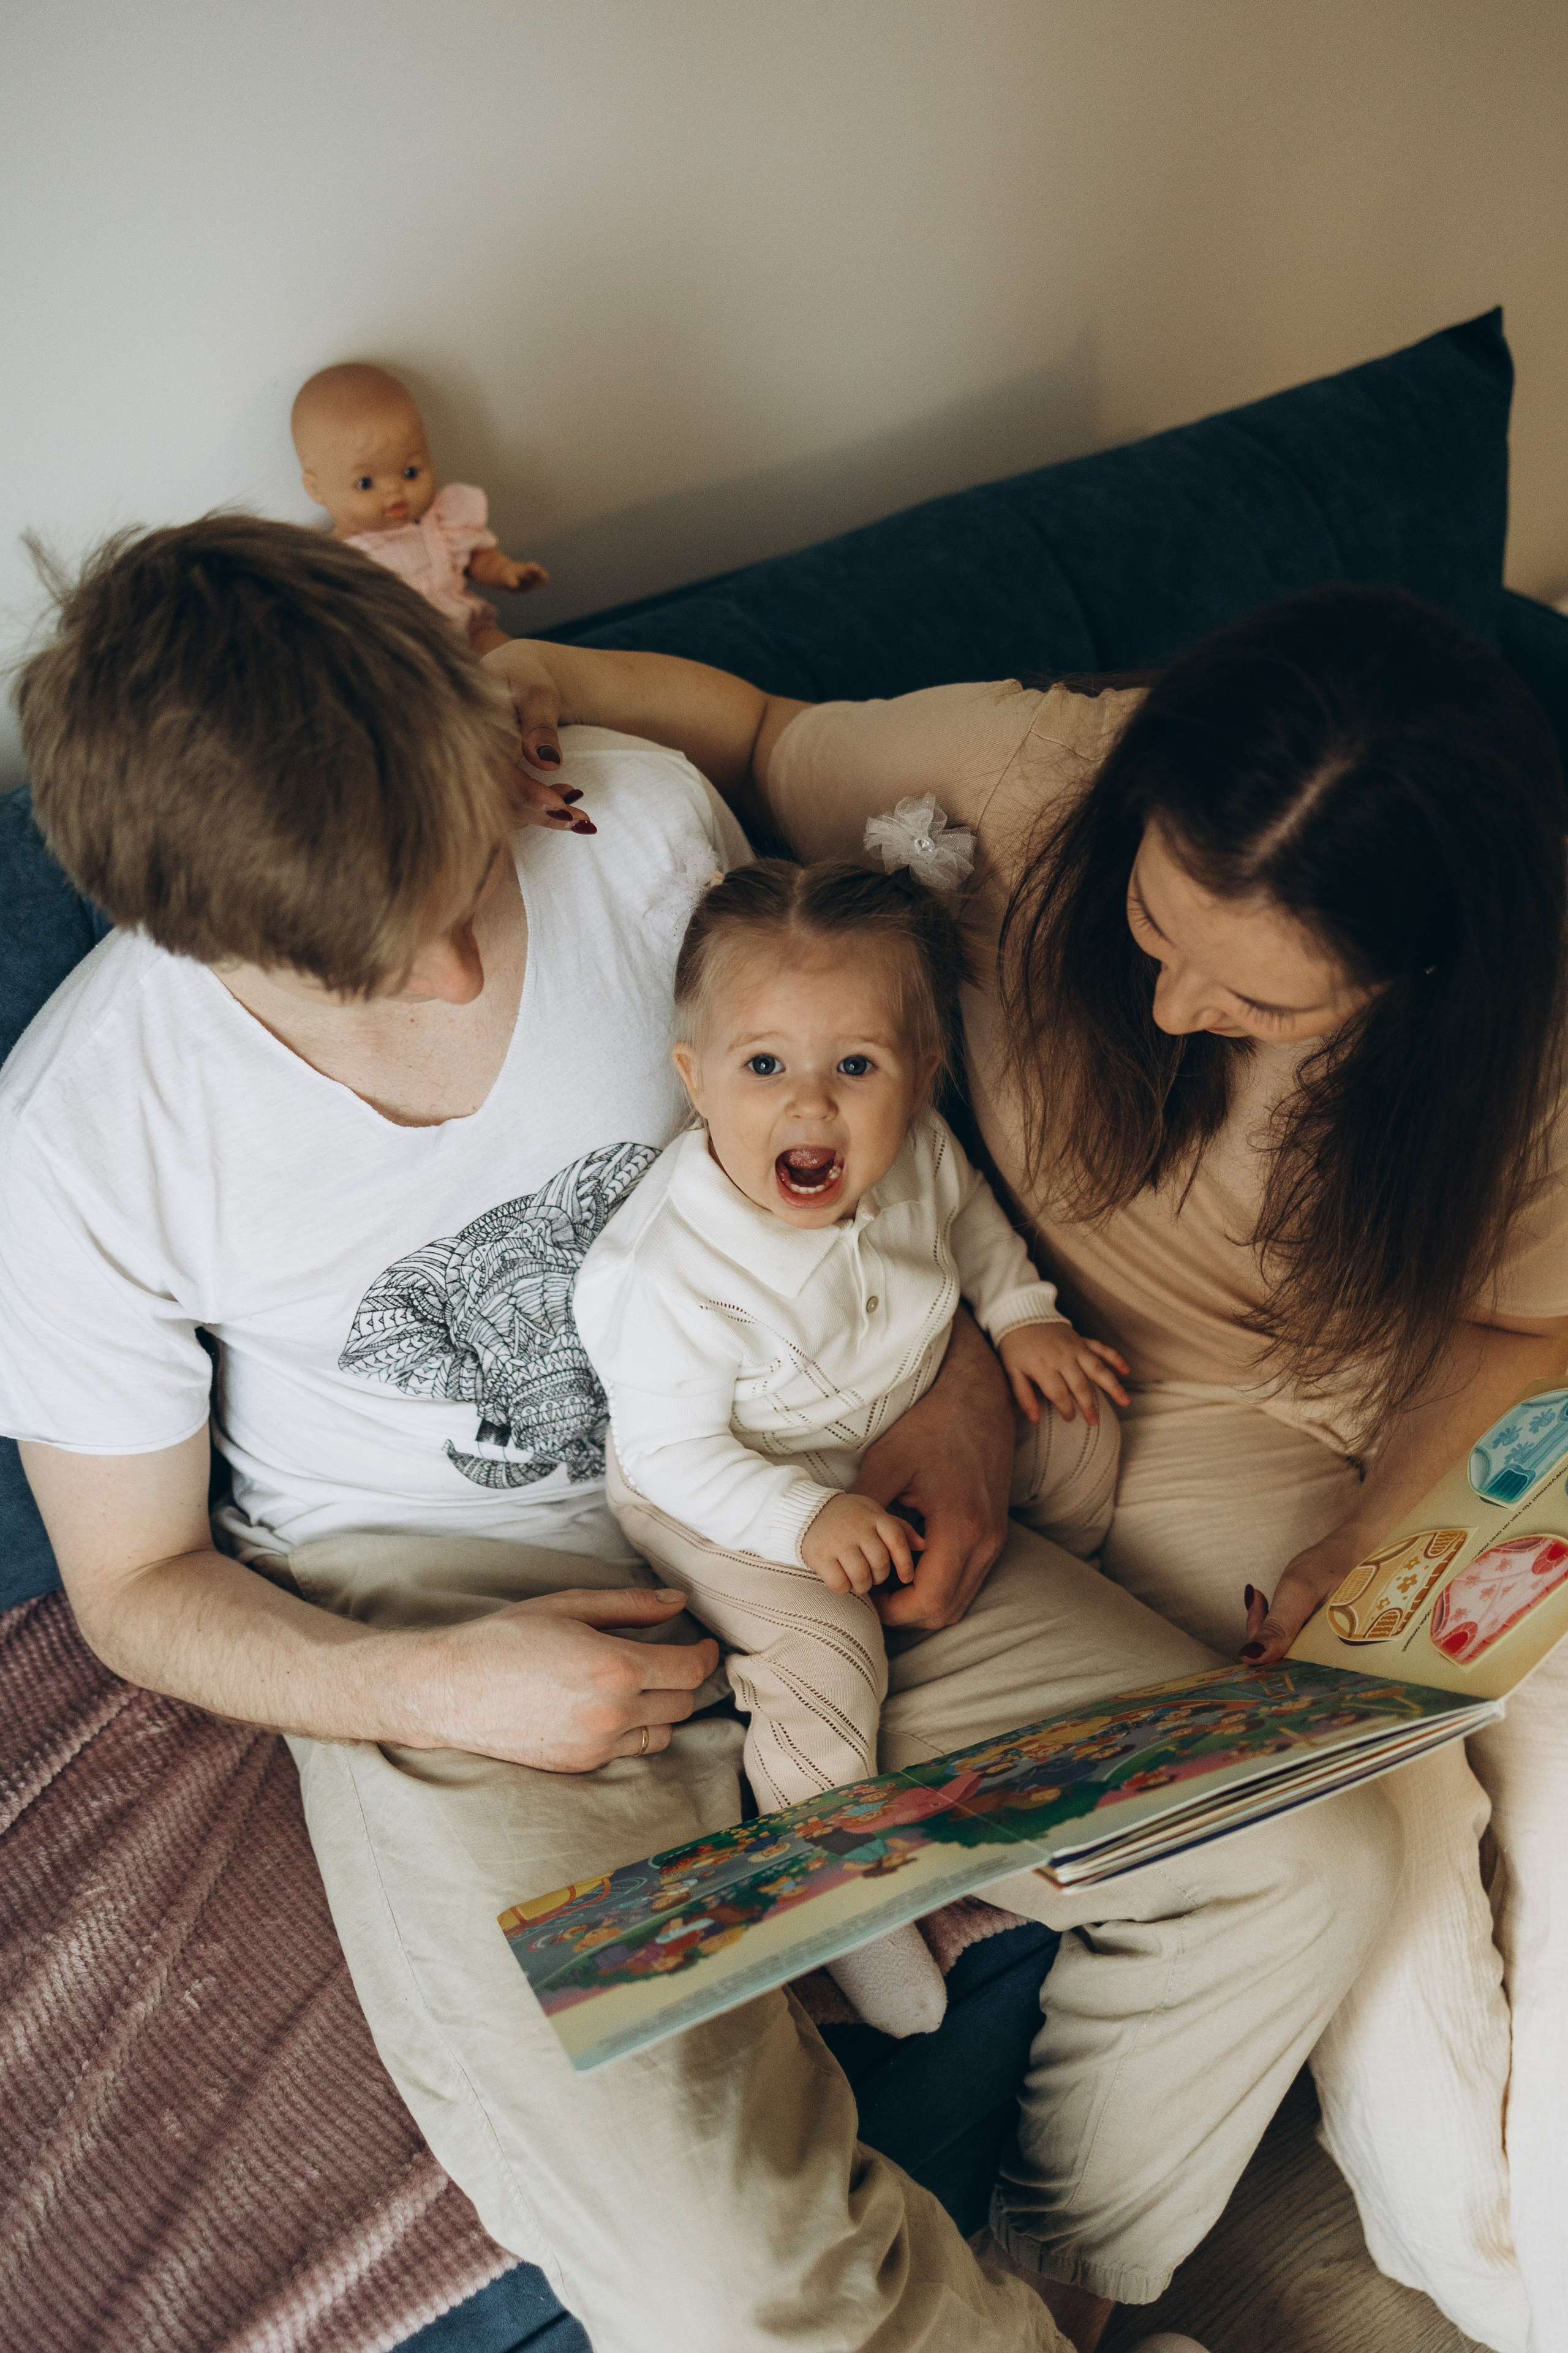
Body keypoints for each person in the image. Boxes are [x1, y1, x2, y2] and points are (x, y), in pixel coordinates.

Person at [1, 516, 1398, 2353]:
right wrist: (445, 1691)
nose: (447, 976)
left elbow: (868, 1145)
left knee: (1309, 1848)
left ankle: (1063, 2290)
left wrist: (964, 1413)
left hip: (801, 1460)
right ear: (186, 934)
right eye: (371, 962)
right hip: (454, 1593)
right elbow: (133, 1584)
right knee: (714, 2285)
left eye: (463, 886)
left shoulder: (638, 826)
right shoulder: (84, 1131)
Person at [492, 586, 1568, 2353]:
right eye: (1154, 926)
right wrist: (533, 682)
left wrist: (1387, 1539)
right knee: (1378, 1892)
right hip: (1177, 1417)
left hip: (1437, 1421)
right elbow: (761, 731)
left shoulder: (1524, 1025)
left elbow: (1520, 1331)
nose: (1169, 993)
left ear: (1422, 973)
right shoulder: (1029, 781)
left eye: (1259, 995)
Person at [575, 853, 1129, 2036]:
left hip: (893, 1400)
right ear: (697, 1081)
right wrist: (803, 1521)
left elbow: (973, 1228)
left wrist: (1025, 1320)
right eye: (763, 1065)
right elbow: (673, 1454)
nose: (809, 1105)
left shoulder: (918, 1150)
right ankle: (842, 1891)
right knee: (825, 1647)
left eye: (856, 1067)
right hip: (729, 1480)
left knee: (1081, 1424)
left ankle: (990, 1599)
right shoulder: (669, 1271)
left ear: (923, 1077)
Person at [292, 360, 548, 653]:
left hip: (468, 631)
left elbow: (477, 560)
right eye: (365, 484)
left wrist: (505, 572)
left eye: (410, 472)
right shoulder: (334, 562)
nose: (395, 492)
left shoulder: (442, 520)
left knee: (514, 658)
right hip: (407, 659)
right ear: (317, 488)